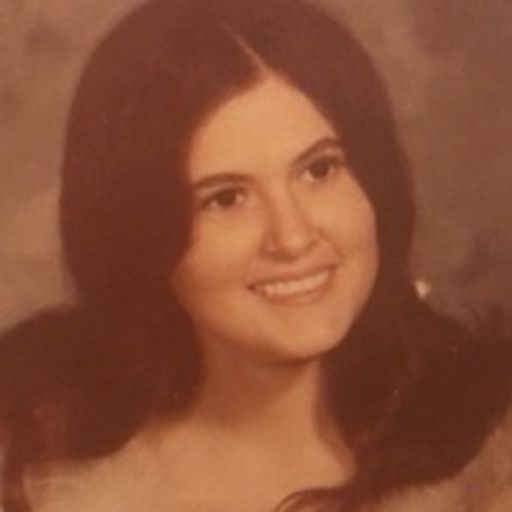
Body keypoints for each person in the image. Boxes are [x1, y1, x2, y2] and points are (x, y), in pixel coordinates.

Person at [0, 0, 511, 511]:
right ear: (140, 235)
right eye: (225, 198)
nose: (292, 238)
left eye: (319, 170)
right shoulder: (36, 467)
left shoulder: (488, 455)